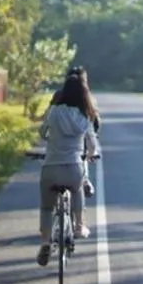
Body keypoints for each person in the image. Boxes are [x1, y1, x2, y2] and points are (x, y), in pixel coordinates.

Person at [36, 74, 99, 266]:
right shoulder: (85, 115)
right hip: (73, 167)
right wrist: (90, 154)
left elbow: (42, 133)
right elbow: (92, 144)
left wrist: (52, 141)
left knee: (47, 208)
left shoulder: (53, 111)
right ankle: (79, 226)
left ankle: (46, 242)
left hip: (51, 166)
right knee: (77, 189)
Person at [50, 65, 101, 196]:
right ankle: (85, 182)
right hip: (79, 139)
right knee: (83, 153)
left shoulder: (58, 95)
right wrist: (94, 136)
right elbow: (95, 121)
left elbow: (49, 117)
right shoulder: (87, 97)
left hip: (58, 140)